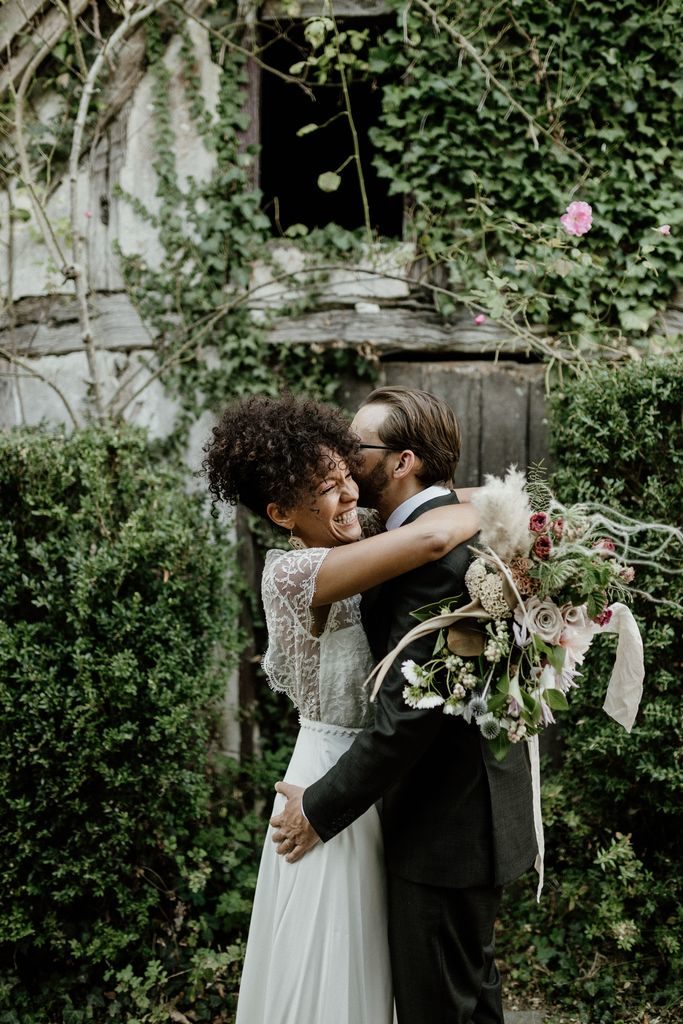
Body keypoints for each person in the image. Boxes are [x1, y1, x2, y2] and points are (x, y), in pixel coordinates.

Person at [202, 392, 480, 1024]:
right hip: (327, 777)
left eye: (347, 475)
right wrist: (507, 508)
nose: (350, 493)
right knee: (327, 957)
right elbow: (437, 531)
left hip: (372, 779)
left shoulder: (368, 537)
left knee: (378, 963)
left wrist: (506, 503)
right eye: (327, 488)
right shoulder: (293, 574)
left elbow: (450, 505)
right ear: (281, 513)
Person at [271, 385, 537, 1024]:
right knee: (467, 997)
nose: (342, 459)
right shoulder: (418, 532)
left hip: (445, 826)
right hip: (443, 814)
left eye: (355, 447)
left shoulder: (434, 556)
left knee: (440, 1006)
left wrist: (320, 808)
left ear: (401, 461)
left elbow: (407, 716)